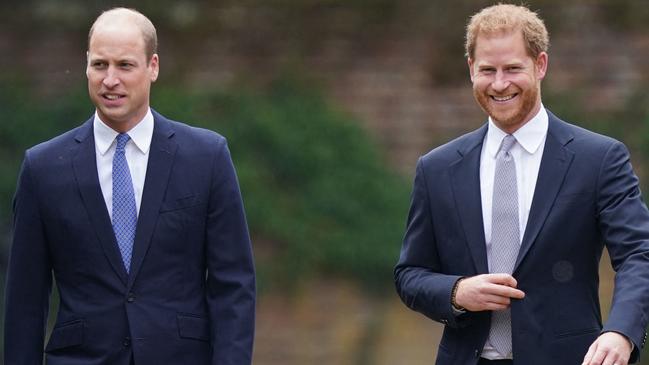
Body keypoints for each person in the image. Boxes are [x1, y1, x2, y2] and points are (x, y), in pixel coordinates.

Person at [394, 4, 649, 365]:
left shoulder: (599, 159)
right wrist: (456, 291)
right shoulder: (437, 168)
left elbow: (640, 254)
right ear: (471, 69)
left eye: (513, 68)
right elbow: (410, 274)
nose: (499, 84)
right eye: (487, 70)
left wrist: (621, 331)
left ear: (540, 65)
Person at [4, 7, 255, 365]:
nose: (110, 80)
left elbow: (234, 285)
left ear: (152, 67)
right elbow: (25, 300)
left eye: (124, 65)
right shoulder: (43, 168)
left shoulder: (207, 157)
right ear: (86, 65)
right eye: (100, 65)